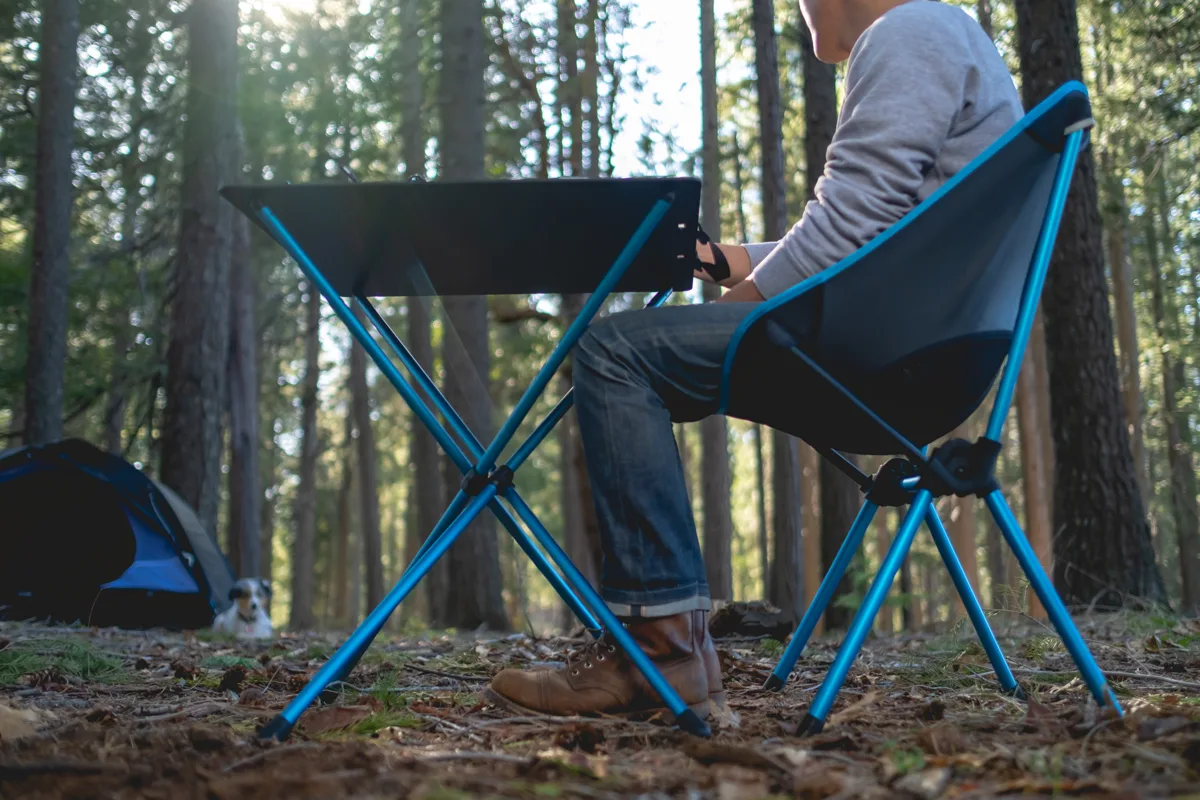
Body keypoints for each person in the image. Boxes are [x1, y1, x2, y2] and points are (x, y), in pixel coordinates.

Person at [487, 0, 1023, 721]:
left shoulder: (909, 30)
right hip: (934, 350)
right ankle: (668, 647)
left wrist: (738, 308)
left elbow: (845, 234)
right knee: (632, 348)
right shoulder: (949, 36)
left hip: (882, 355)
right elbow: (879, 237)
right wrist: (729, 263)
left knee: (614, 353)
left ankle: (656, 649)